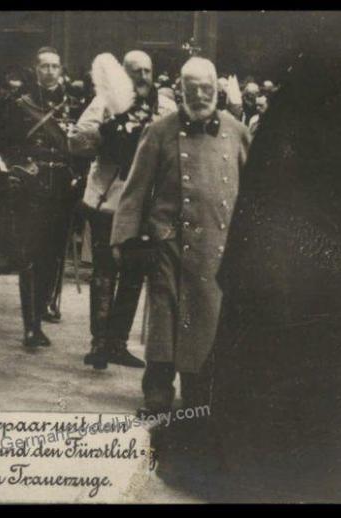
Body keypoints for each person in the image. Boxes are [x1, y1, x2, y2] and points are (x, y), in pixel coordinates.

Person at [210, 25, 341, 502]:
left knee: (270, 372)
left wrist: (242, 271)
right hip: (317, 282)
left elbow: (254, 203)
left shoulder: (283, 123)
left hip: (275, 278)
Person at [110, 56, 250, 417]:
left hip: (218, 246)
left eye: (206, 88)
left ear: (217, 88)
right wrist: (124, 237)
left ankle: (198, 390)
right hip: (169, 242)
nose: (200, 95)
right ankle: (157, 390)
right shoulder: (159, 131)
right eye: (192, 89)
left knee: (207, 318)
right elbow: (135, 189)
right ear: (180, 90)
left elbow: (252, 194)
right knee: (164, 317)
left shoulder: (237, 131)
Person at [72, 50, 177, 368]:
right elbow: (78, 140)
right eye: (135, 71)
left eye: (147, 71)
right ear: (123, 74)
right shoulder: (104, 101)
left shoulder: (167, 107)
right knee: (105, 271)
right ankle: (99, 343)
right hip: (108, 199)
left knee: (134, 272)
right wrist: (108, 135)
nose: (142, 77)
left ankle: (118, 342)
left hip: (145, 205)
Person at [0, 47, 83, 348]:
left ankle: (41, 314)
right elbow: (4, 143)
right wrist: (22, 167)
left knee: (52, 256)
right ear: (36, 69)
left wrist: (78, 174)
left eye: (55, 66)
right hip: (33, 187)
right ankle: (30, 327)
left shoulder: (74, 104)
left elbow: (84, 144)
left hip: (63, 188)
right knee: (31, 255)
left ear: (61, 70)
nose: (50, 71)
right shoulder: (22, 105)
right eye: (44, 66)